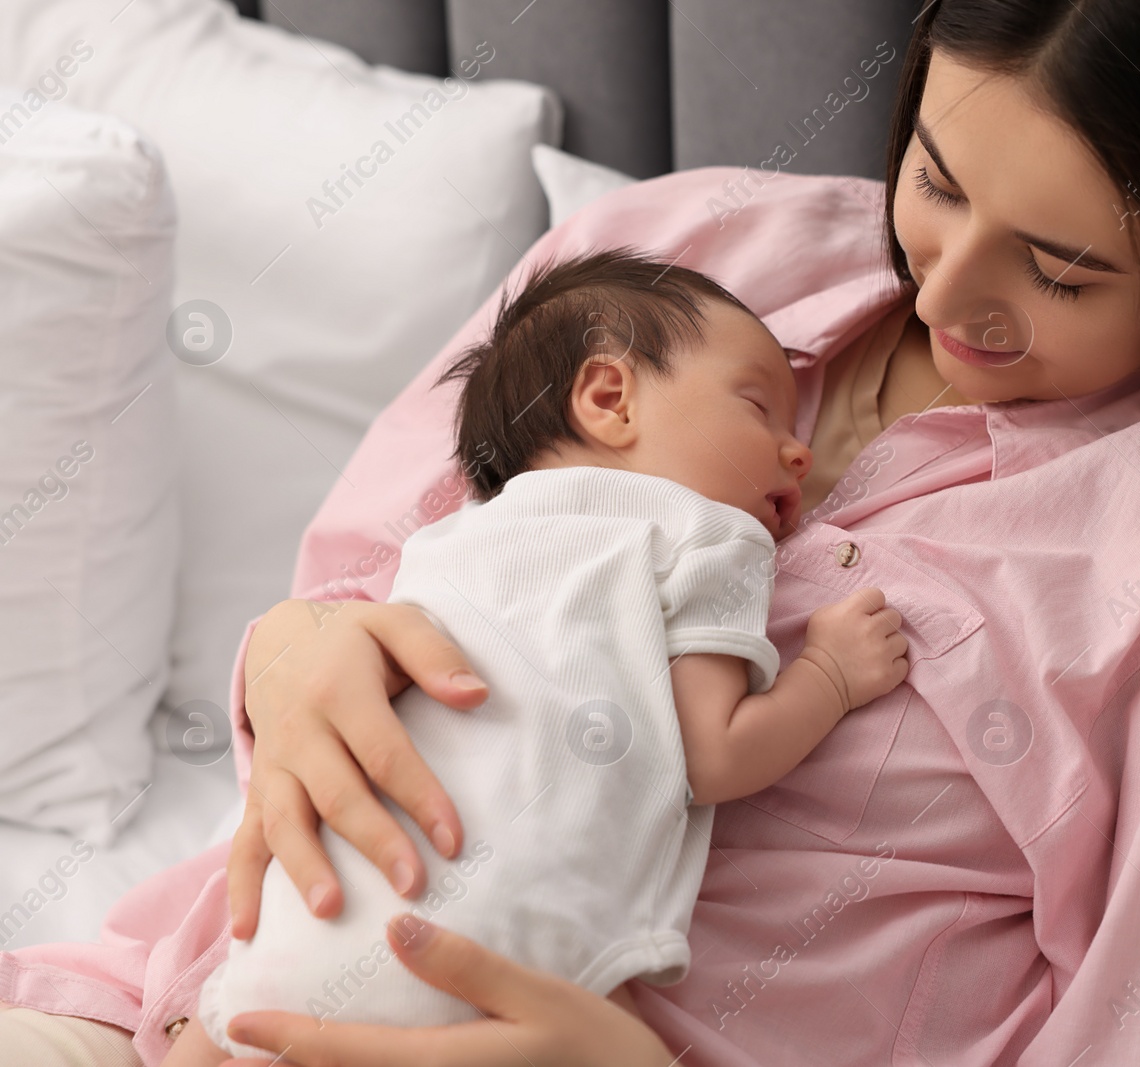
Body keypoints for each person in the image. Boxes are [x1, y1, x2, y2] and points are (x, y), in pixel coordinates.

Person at [0, 0, 1140, 1063]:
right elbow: (360, 592)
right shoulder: (689, 250)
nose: (945, 300)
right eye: (934, 180)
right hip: (173, 1008)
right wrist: (291, 658)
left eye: (1058, 269)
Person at [162, 248, 910, 1064]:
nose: (796, 450)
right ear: (608, 397)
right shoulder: (707, 532)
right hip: (508, 956)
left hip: (304, 923)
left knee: (224, 1033)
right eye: (760, 407)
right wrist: (831, 675)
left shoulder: (444, 541)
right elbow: (714, 751)